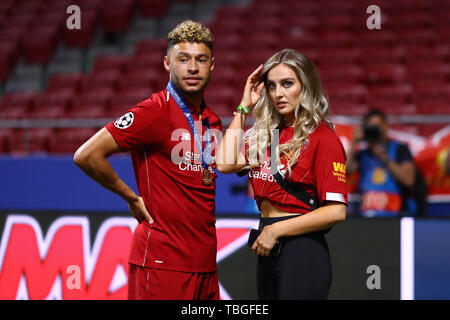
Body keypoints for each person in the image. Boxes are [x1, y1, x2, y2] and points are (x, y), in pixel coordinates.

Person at [73, 20, 222, 300]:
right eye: (183, 59)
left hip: (205, 267)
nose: (192, 68)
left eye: (201, 60)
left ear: (212, 64)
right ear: (167, 63)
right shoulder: (153, 111)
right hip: (162, 264)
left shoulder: (213, 121)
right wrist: (130, 197)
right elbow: (86, 155)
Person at [216, 49, 347, 300]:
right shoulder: (267, 135)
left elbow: (336, 211)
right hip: (268, 243)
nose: (278, 93)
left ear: (305, 86)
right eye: (272, 86)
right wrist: (244, 107)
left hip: (302, 248)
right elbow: (224, 164)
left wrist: (276, 231)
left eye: (288, 84)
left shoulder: (322, 138)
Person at [346, 109, 417, 217]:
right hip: (366, 217)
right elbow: (345, 170)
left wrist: (384, 157)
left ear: (385, 126)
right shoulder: (364, 154)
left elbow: (408, 180)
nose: (375, 131)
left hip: (394, 217)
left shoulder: (400, 149)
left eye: (377, 127)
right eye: (371, 128)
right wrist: (354, 142)